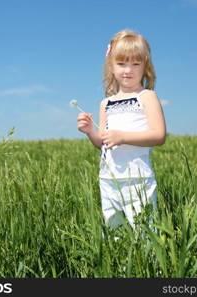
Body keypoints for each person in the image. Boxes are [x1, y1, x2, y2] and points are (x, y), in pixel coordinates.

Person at [77, 29, 166, 230]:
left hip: (138, 178)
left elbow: (159, 136)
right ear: (111, 66)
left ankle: (147, 261)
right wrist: (91, 131)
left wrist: (123, 136)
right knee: (113, 228)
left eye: (136, 63)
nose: (128, 70)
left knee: (144, 230)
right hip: (108, 177)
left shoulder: (147, 96)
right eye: (121, 63)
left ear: (146, 66)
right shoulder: (106, 103)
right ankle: (119, 262)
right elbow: (104, 143)